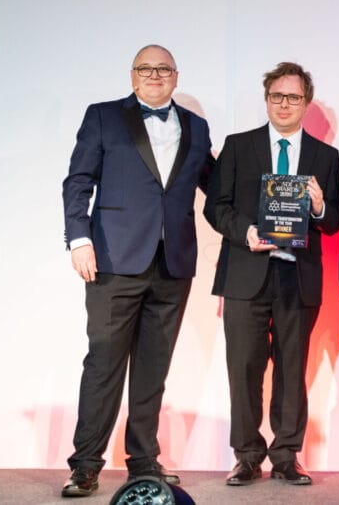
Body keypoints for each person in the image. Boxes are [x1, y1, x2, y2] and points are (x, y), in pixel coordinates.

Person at [61, 44, 213, 497]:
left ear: (176, 77)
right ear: (132, 76)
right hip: (113, 261)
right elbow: (78, 181)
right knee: (104, 364)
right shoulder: (103, 116)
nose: (154, 75)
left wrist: (269, 209)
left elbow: (218, 185)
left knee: (152, 370)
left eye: (163, 69)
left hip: (173, 264)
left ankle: (143, 460)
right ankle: (85, 464)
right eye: (145, 68)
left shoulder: (197, 126)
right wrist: (79, 238)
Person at [204, 62, 339, 487]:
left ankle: (286, 455)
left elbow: (334, 220)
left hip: (297, 277)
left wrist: (319, 206)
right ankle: (247, 456)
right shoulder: (238, 146)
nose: (284, 104)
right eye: (277, 96)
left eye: (293, 97)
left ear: (306, 103)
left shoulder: (325, 156)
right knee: (243, 366)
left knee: (292, 368)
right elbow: (215, 206)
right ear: (266, 100)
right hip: (245, 273)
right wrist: (245, 232)